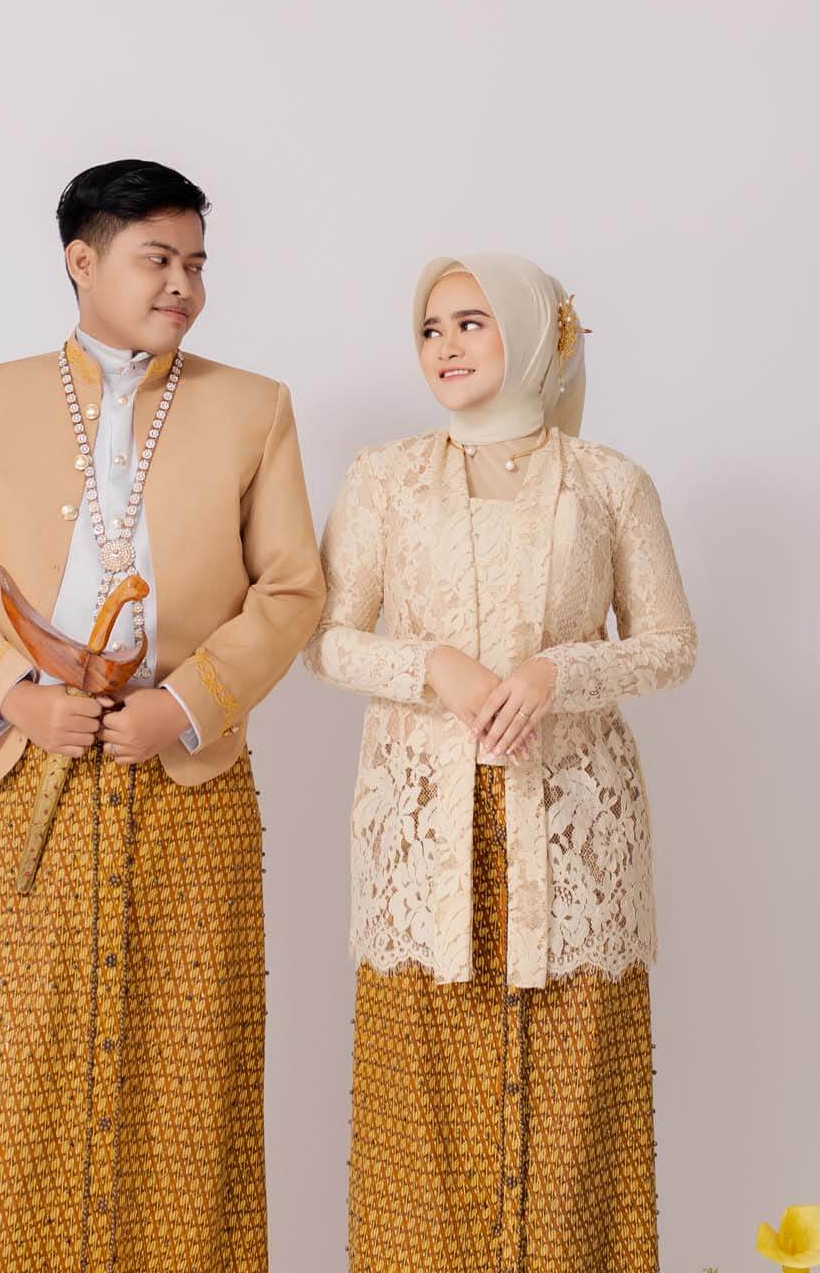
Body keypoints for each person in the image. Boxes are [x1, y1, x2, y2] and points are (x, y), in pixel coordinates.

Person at [0, 159, 325, 1273]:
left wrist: (183, 705)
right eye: (157, 259)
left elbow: (292, 591)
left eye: (197, 263)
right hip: (27, 784)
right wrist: (16, 697)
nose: (183, 284)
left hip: (191, 784)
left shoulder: (254, 407)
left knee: (192, 1067)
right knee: (20, 1068)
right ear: (81, 262)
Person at [304, 253, 697, 1273]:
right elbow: (325, 642)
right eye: (429, 328)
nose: (444, 346)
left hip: (571, 844)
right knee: (420, 1114)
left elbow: (669, 645)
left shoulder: (608, 482)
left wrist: (557, 671)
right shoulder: (383, 477)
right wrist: (433, 664)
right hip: (423, 841)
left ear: (534, 334)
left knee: (573, 1107)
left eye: (470, 323)